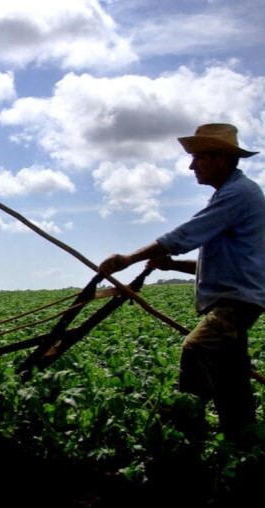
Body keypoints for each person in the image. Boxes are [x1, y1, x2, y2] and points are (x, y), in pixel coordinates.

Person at [98, 123, 265, 443]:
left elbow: (186, 235)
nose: (191, 166)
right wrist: (172, 265)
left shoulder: (237, 194)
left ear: (219, 158)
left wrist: (127, 259)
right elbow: (220, 264)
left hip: (236, 302)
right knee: (232, 380)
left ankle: (185, 433)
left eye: (198, 157)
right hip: (235, 298)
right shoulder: (233, 194)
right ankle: (243, 445)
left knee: (195, 349)